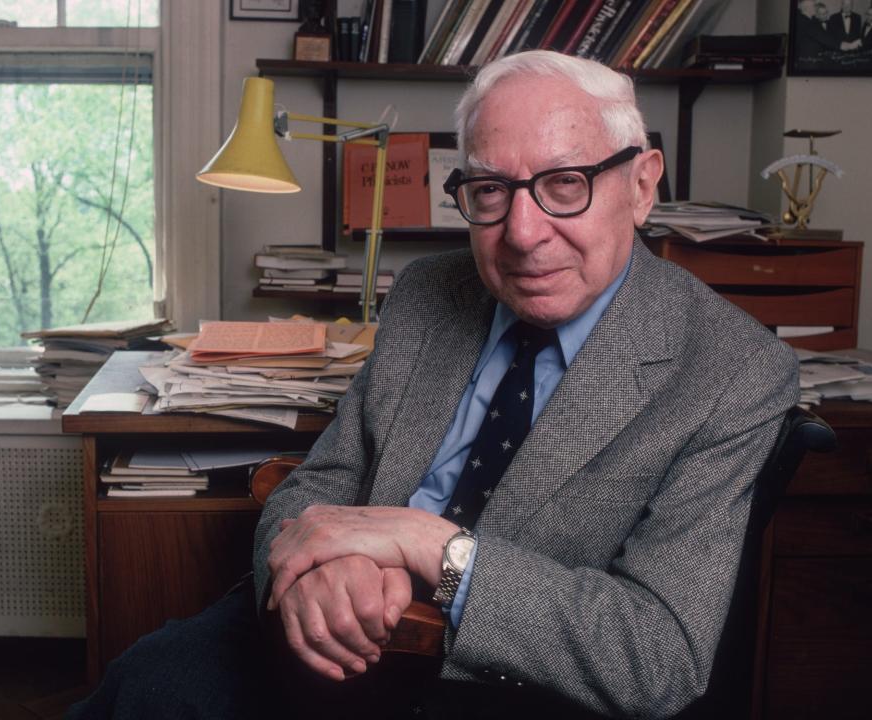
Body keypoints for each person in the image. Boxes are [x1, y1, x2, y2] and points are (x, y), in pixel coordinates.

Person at [67, 50, 798, 720]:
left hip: (498, 683)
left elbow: (658, 654)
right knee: (145, 684)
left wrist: (430, 546)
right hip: (327, 628)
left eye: (565, 185)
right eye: (489, 190)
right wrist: (306, 578)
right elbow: (317, 485)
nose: (522, 232)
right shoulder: (426, 292)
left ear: (641, 186)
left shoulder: (733, 372)